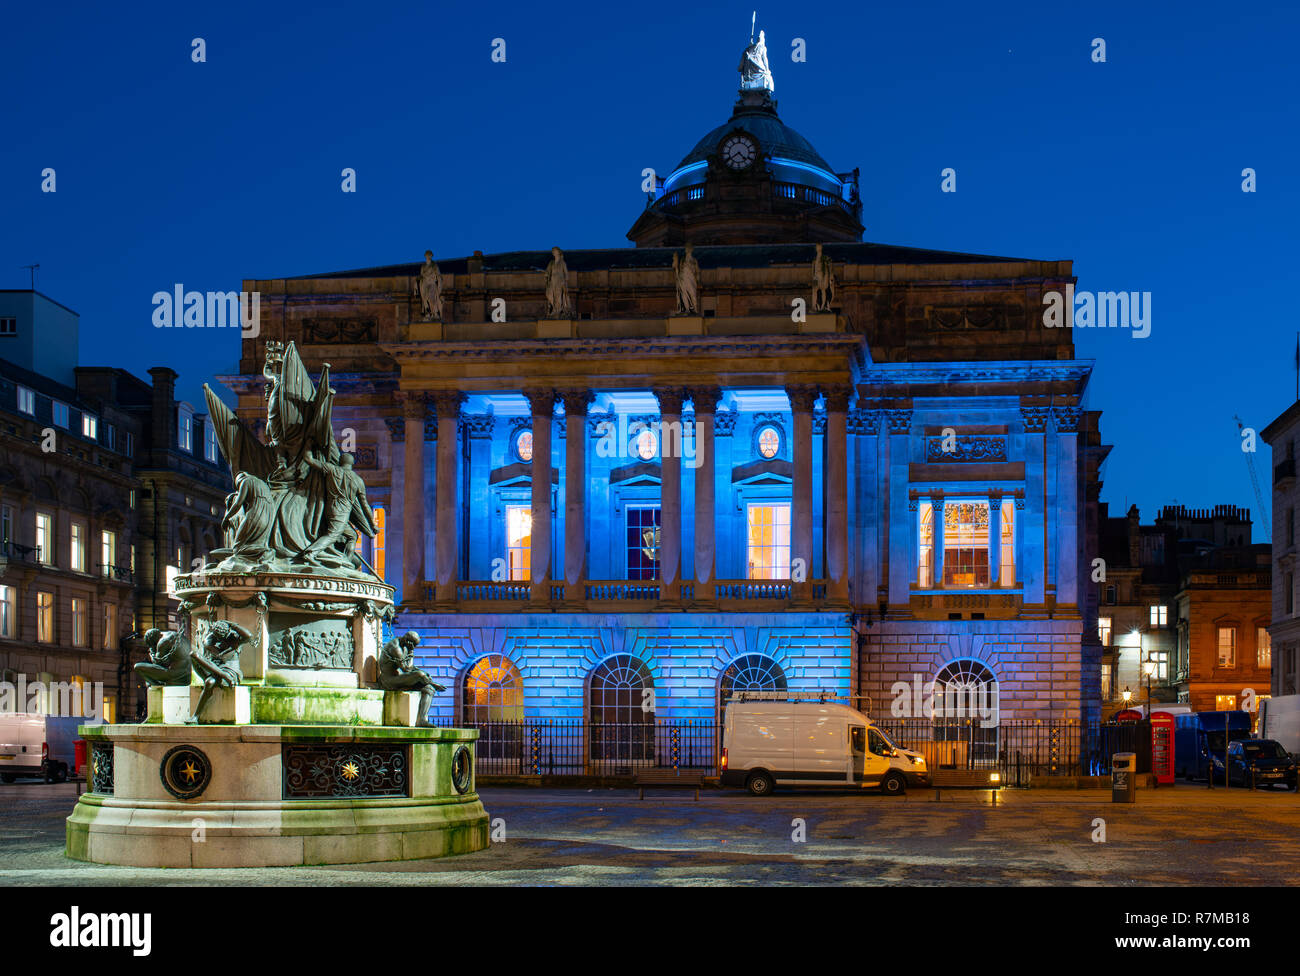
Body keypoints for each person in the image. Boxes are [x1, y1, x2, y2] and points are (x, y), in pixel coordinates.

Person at [188, 620, 254, 723]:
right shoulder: (211, 640)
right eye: (216, 636)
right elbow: (208, 644)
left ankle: (195, 716)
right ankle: (222, 676)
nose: (218, 639)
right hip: (216, 669)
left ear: (227, 633)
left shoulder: (236, 639)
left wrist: (231, 624)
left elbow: (249, 636)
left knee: (210, 682)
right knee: (193, 655)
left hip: (231, 671)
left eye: (221, 636)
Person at [377, 630, 445, 728]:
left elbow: (411, 667)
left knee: (429, 688)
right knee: (420, 675)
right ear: (408, 641)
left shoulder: (404, 646)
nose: (414, 648)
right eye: (414, 646)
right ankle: (433, 684)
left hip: (397, 677)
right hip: (388, 681)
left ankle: (422, 720)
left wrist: (427, 678)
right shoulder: (395, 648)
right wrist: (411, 652)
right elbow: (407, 669)